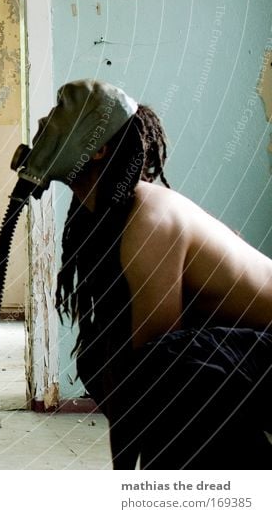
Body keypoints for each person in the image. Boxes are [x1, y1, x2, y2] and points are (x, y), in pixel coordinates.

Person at [49, 83, 272, 469]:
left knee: (176, 369)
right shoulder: (100, 220)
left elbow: (155, 372)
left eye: (59, 113)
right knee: (100, 355)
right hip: (251, 354)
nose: (42, 121)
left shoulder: (147, 216)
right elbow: (124, 364)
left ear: (98, 148)